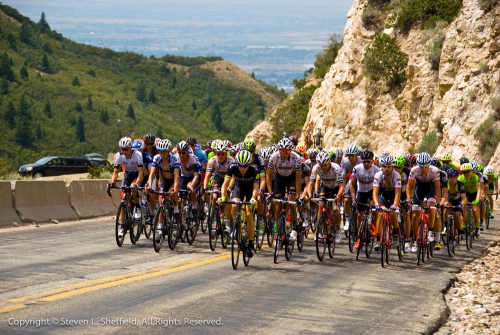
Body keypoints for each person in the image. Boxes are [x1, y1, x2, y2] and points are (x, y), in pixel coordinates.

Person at [218, 150, 259, 257]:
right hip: (239, 188)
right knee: (234, 205)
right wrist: (222, 196)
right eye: (240, 165)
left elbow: (255, 187)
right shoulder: (232, 166)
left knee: (249, 213)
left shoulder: (254, 169)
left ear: (249, 164)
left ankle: (250, 243)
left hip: (250, 190)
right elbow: (225, 184)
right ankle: (236, 227)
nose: (242, 168)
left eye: (245, 166)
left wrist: (254, 198)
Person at [266, 137, 303, 241]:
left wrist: (298, 195)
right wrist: (270, 192)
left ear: (290, 151)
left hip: (291, 178)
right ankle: (276, 228)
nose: (284, 153)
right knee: (277, 206)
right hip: (279, 178)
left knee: (291, 202)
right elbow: (268, 175)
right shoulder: (274, 157)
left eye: (286, 151)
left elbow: (298, 178)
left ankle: (295, 227)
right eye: (282, 151)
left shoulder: (296, 158)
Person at [108, 137, 144, 238]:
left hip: (137, 175)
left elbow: (141, 172)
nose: (124, 151)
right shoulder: (118, 156)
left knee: (133, 188)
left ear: (130, 148)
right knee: (123, 197)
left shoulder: (138, 155)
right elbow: (115, 173)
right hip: (127, 175)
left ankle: (137, 207)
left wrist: (137, 183)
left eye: (126, 149)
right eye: (122, 149)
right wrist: (112, 183)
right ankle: (123, 227)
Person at [147, 139, 181, 242]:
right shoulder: (157, 158)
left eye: (164, 152)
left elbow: (176, 176)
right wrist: (149, 184)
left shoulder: (174, 159)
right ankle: (161, 230)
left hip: (174, 179)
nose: (162, 154)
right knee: (161, 201)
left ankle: (175, 210)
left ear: (168, 151)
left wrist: (175, 187)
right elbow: (152, 173)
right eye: (160, 152)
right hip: (165, 180)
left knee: (173, 193)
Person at [406, 152, 441, 249]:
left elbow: (438, 188)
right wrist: (409, 200)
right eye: (421, 166)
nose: (423, 168)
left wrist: (438, 202)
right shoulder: (414, 170)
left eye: (425, 166)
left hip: (430, 188)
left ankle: (430, 230)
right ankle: (414, 237)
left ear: (429, 165)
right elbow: (410, 186)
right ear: (418, 165)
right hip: (419, 189)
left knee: (431, 208)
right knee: (414, 215)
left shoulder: (435, 170)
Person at [307, 151, 344, 242]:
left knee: (335, 209)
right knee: (320, 205)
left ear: (329, 162)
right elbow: (311, 183)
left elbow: (342, 186)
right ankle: (319, 230)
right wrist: (309, 194)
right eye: (321, 165)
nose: (323, 167)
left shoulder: (336, 168)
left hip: (335, 188)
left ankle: (338, 230)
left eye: (325, 165)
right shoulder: (316, 167)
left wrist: (339, 195)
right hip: (325, 187)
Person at [350, 150, 380, 245]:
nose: (366, 163)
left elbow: (380, 185)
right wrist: (354, 197)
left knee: (374, 208)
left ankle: (374, 225)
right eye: (364, 161)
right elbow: (351, 184)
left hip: (372, 191)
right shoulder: (357, 168)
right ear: (361, 161)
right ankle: (359, 236)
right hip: (361, 191)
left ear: (372, 161)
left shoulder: (376, 169)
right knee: (360, 214)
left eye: (368, 161)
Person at [371, 156, 401, 251]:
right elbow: (375, 193)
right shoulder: (378, 175)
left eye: (388, 167)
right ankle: (378, 239)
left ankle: (395, 233)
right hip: (383, 194)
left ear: (392, 167)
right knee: (380, 214)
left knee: (393, 213)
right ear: (381, 166)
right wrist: (376, 204)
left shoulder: (397, 176)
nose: (386, 169)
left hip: (393, 195)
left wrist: (394, 206)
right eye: (384, 166)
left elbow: (397, 193)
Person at [204, 143, 235, 234]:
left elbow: (233, 178)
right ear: (215, 153)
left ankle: (228, 222)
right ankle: (214, 218)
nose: (220, 155)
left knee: (226, 198)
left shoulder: (231, 161)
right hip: (218, 178)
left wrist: (229, 189)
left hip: (228, 179)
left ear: (226, 154)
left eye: (223, 154)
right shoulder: (212, 161)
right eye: (218, 153)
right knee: (214, 196)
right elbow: (207, 176)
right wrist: (205, 187)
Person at [177, 141, 201, 224]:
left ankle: (194, 206)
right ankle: (183, 216)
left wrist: (192, 185)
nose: (181, 155)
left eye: (183, 153)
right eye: (179, 153)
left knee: (191, 188)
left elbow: (196, 176)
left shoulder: (193, 159)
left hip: (193, 176)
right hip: (184, 177)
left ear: (187, 152)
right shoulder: (176, 158)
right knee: (183, 198)